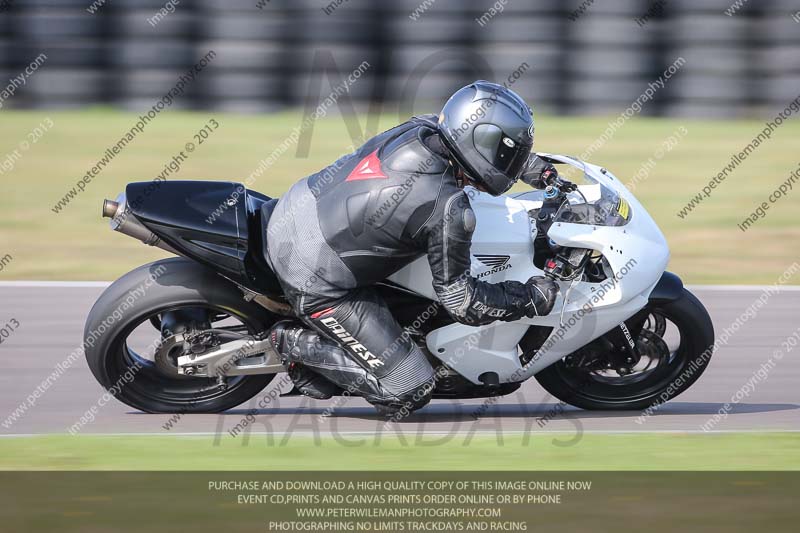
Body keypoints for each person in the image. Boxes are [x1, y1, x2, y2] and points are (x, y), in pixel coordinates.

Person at [266, 80, 559, 417]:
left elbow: (478, 145)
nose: (511, 158)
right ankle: (292, 343)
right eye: (509, 152)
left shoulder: (425, 126)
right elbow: (462, 302)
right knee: (410, 389)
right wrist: (530, 298)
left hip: (295, 208)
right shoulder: (449, 208)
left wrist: (541, 170)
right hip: (312, 274)